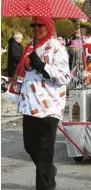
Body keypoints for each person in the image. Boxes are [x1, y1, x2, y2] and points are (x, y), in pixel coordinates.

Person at [8, 16, 70, 190]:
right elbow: (24, 71)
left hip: (48, 107)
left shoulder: (57, 48)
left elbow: (65, 77)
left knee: (44, 153)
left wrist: (43, 66)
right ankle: (49, 170)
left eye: (40, 25)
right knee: (29, 146)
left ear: (48, 26)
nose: (36, 28)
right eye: (33, 25)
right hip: (29, 106)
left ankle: (45, 183)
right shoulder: (30, 46)